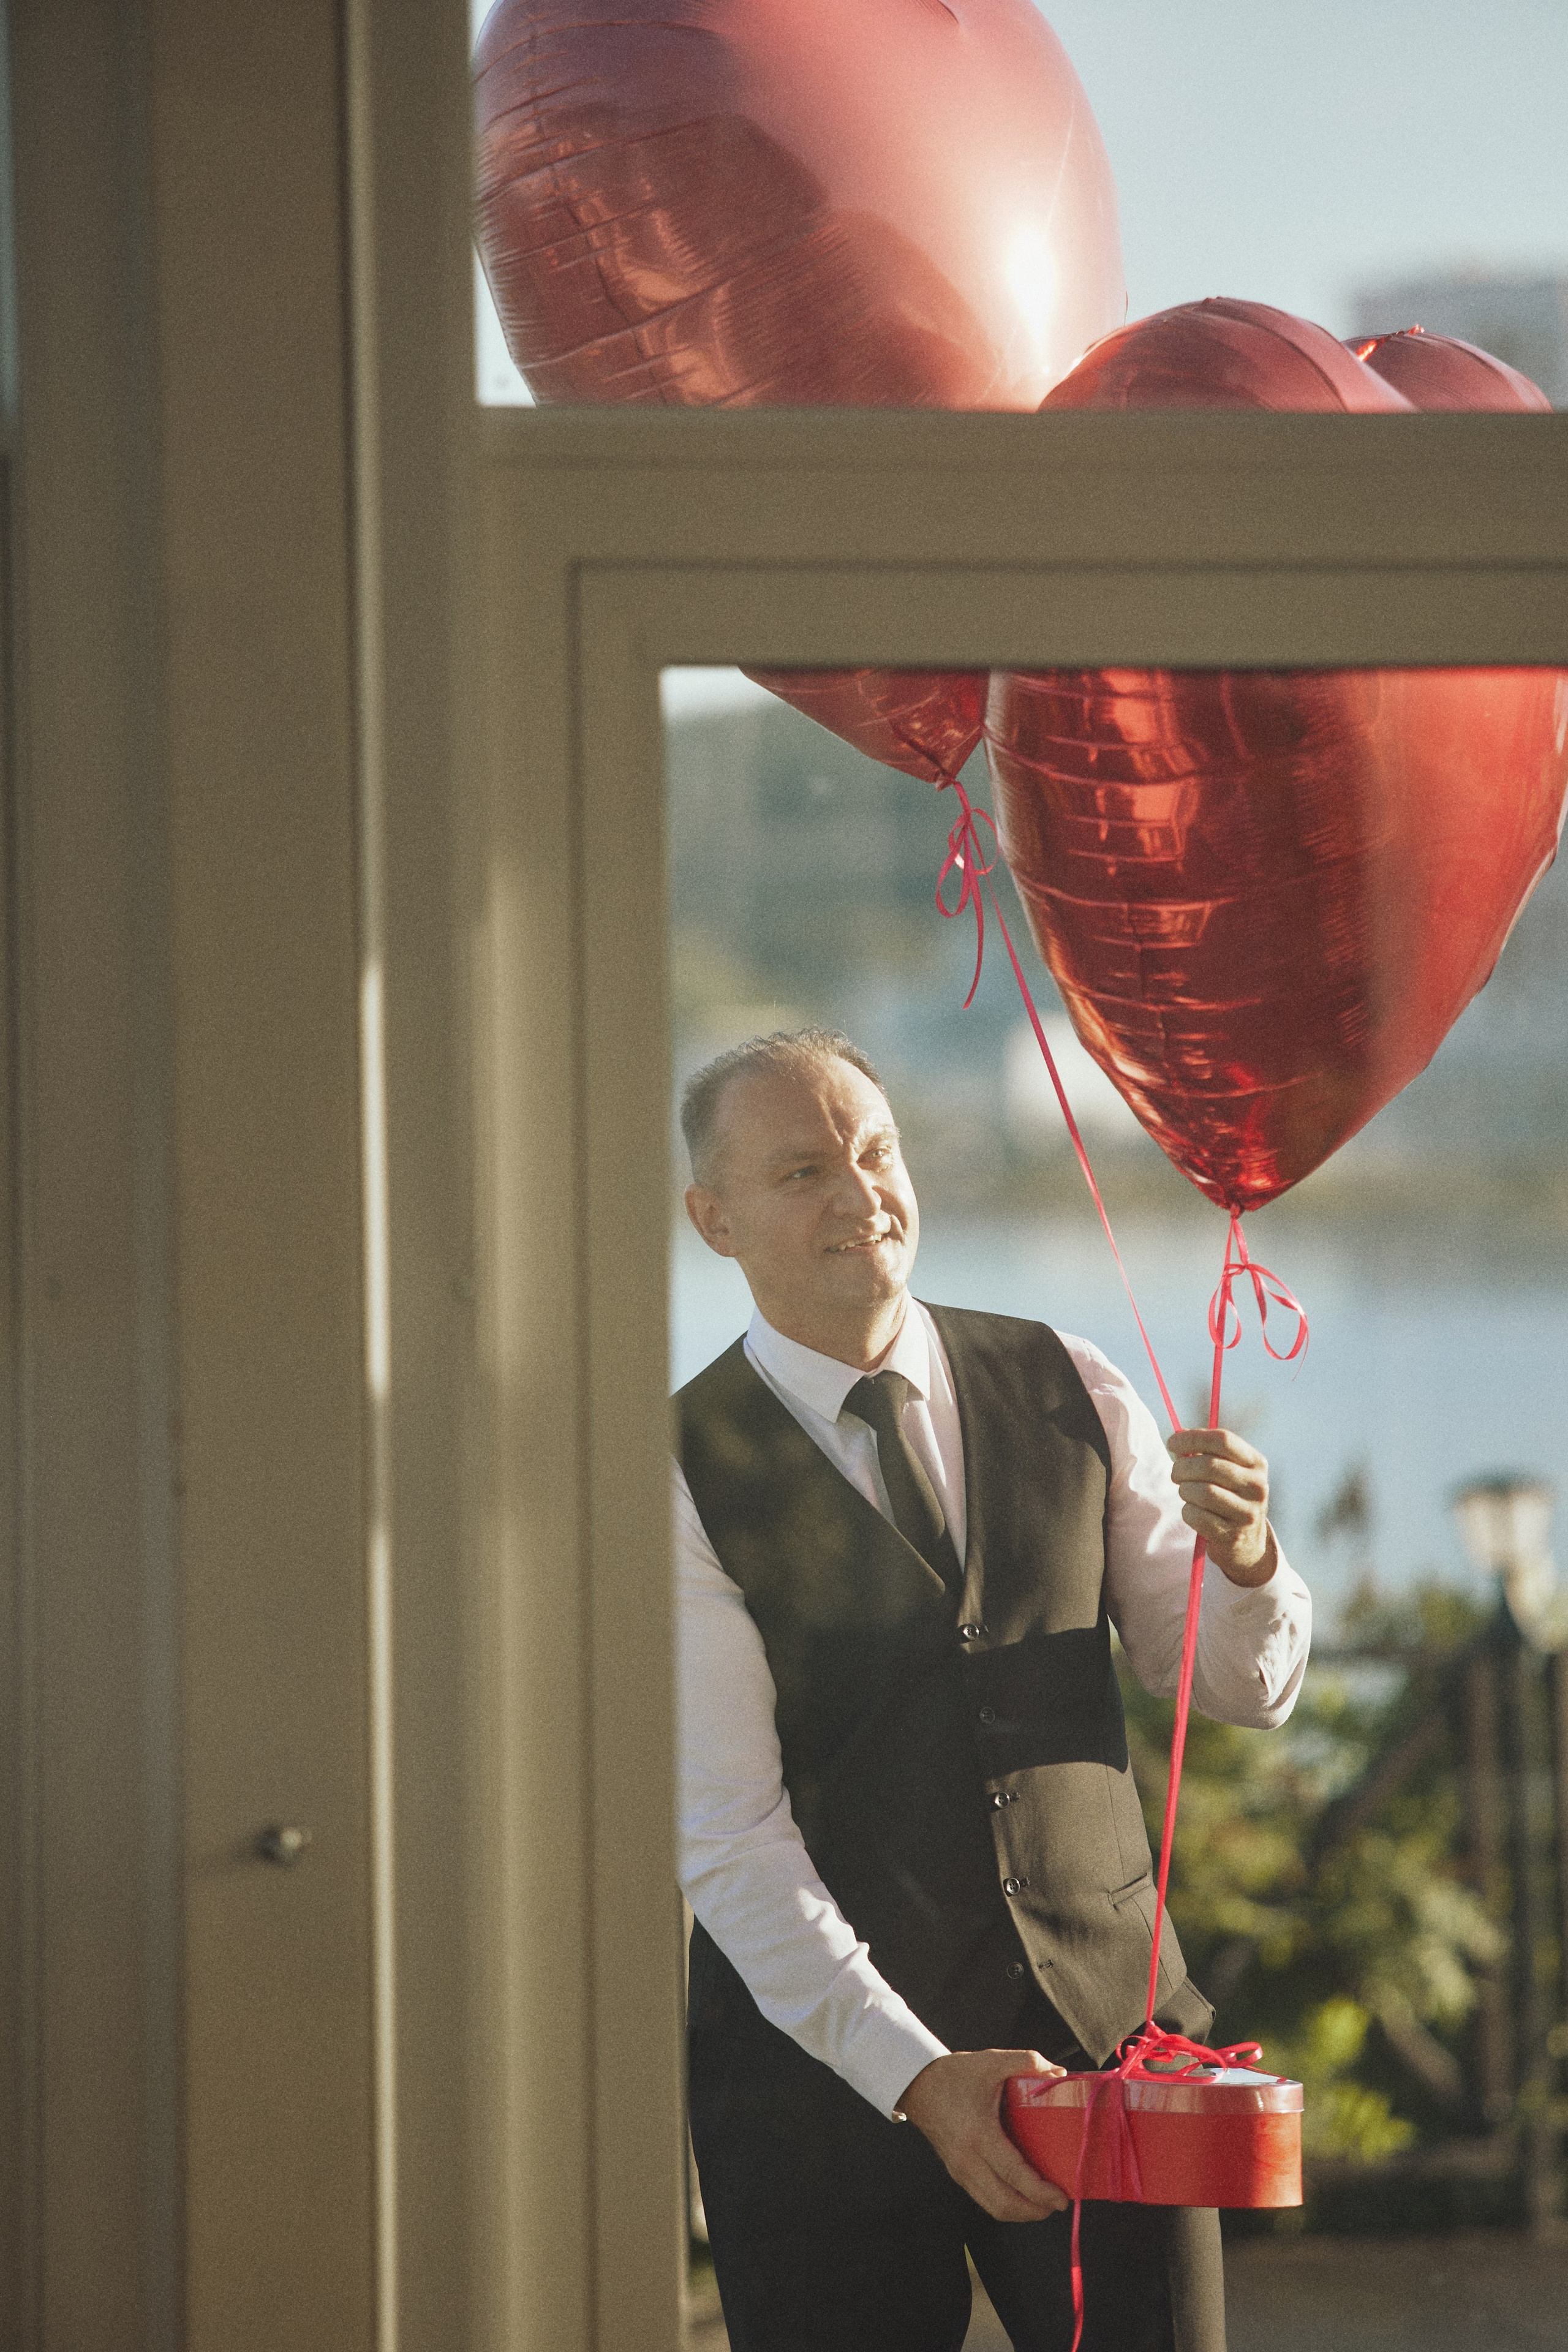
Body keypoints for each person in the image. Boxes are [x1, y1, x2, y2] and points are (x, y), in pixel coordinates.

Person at [675, 1028, 1310, 2352]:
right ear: (712, 1220)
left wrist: (1251, 1563)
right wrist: (917, 2077)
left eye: (875, 1151)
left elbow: (1232, 1685)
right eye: (801, 1172)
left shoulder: (1068, 1379)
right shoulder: (669, 1469)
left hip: (1107, 2056)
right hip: (817, 2097)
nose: (860, 1195)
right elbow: (730, 1839)